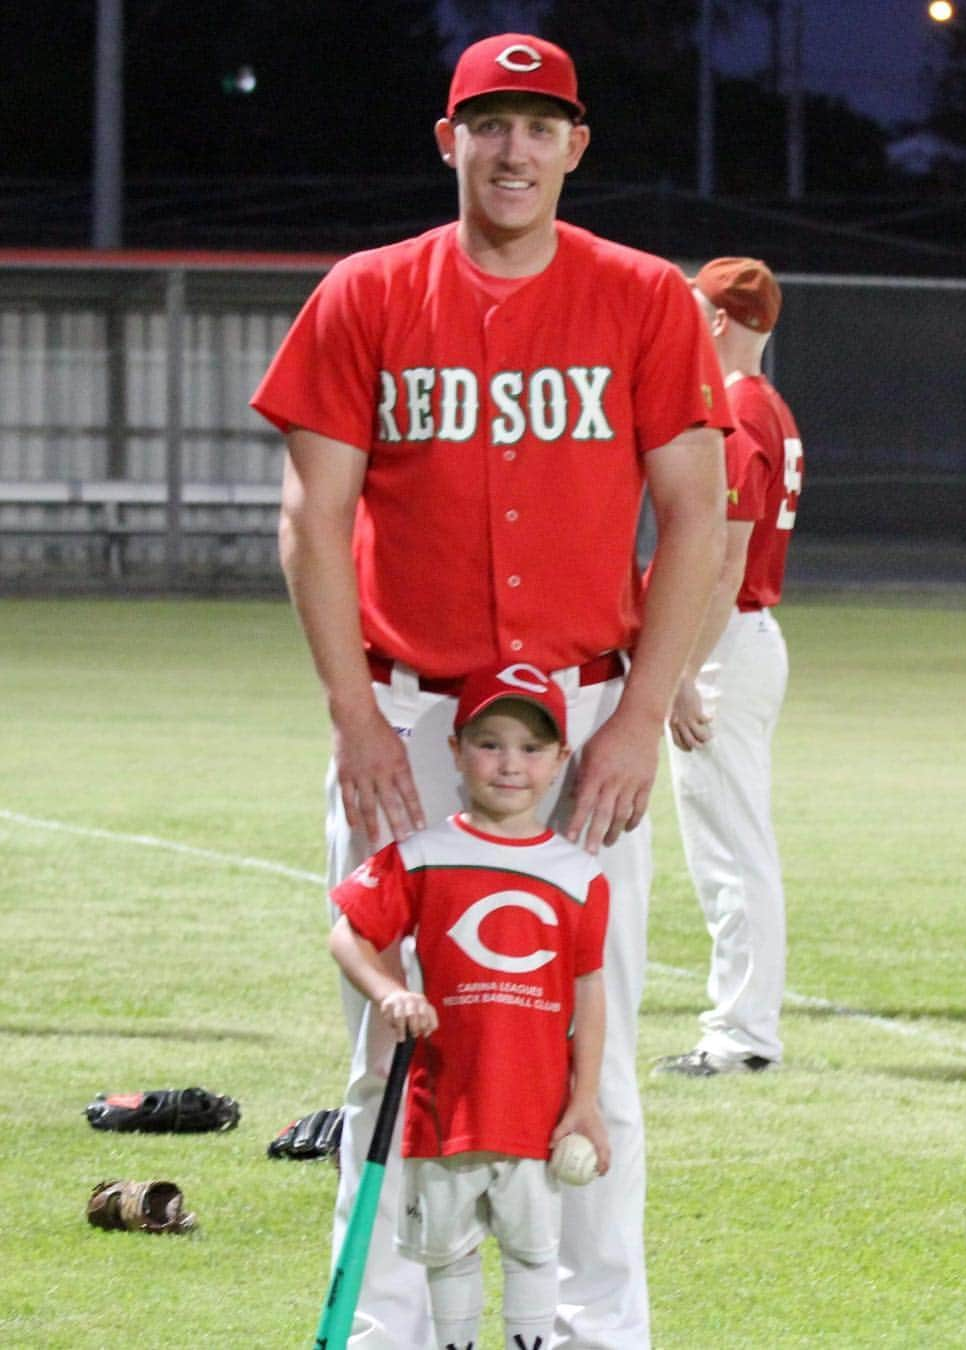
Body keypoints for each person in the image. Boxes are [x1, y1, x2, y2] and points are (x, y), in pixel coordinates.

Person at [250, 31, 729, 1350]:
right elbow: (313, 515)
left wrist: (640, 712)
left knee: (589, 1041)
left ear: (576, 146)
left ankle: (584, 1327)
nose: (512, 149)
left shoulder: (642, 298)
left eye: (539, 125)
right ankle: (394, 1325)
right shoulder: (366, 292)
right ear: (447, 139)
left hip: (582, 723)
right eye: (488, 123)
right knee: (394, 1043)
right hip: (408, 716)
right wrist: (354, 719)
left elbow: (697, 510)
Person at [329, 666, 610, 1350]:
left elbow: (590, 992)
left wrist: (587, 1100)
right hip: (442, 1106)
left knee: (534, 1252)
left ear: (559, 761)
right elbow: (348, 933)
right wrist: (390, 991)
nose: (510, 764)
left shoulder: (579, 876)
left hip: (533, 1107)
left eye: (531, 748)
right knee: (446, 1254)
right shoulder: (423, 856)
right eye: (490, 743)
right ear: (455, 751)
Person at [655, 257, 804, 1078]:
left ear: (716, 321)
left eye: (690, 306)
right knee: (732, 843)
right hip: (741, 639)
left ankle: (743, 1036)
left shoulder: (738, 411)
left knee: (731, 851)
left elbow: (721, 560)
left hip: (724, 642)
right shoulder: (768, 404)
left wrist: (679, 667)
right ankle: (742, 1027)